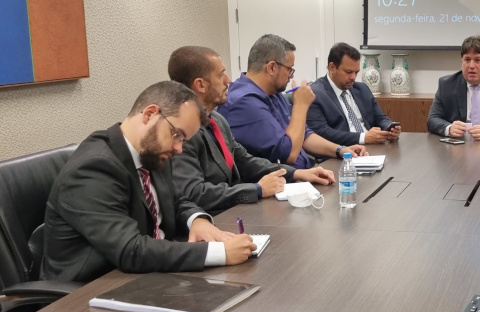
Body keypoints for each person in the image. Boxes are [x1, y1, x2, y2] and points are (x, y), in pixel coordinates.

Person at [41, 81, 256, 283]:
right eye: (176, 135)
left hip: (147, 276)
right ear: (150, 114)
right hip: (90, 293)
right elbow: (131, 250)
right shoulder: (93, 168)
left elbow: (176, 200)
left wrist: (197, 220)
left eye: (183, 140)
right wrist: (220, 253)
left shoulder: (151, 152)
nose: (179, 148)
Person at [167, 46, 335, 216]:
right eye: (220, 75)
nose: (228, 80)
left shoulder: (217, 120)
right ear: (200, 85)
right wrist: (257, 189)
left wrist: (297, 173)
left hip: (235, 212)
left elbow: (245, 161)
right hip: (210, 220)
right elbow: (195, 193)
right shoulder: (181, 133)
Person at [217, 34, 366, 170]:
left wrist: (340, 150)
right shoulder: (244, 102)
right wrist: (301, 105)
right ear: (272, 67)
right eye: (290, 69)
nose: (291, 75)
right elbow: (289, 153)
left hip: (303, 175)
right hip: (279, 187)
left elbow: (305, 135)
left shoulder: (273, 93)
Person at [307, 42, 400, 146]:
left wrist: (390, 127)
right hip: (341, 153)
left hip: (371, 147)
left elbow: (380, 118)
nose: (353, 77)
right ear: (332, 67)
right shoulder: (314, 93)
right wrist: (363, 137)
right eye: (348, 72)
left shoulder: (362, 88)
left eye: (356, 72)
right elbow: (321, 133)